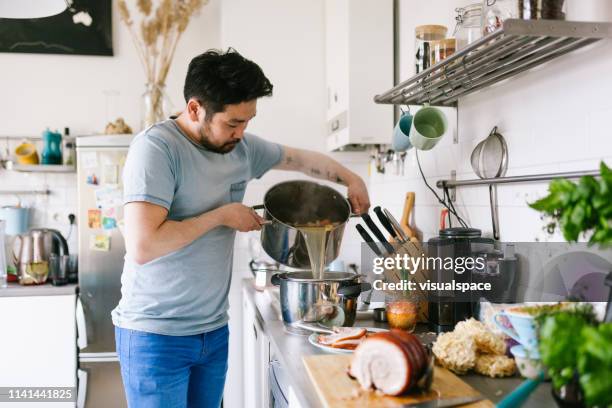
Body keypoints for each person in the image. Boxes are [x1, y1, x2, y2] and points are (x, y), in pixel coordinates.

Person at [111, 48, 370, 408]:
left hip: (213, 331)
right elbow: (143, 245)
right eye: (233, 123)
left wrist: (351, 177)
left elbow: (299, 159)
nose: (241, 132)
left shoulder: (242, 148)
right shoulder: (156, 149)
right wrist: (221, 215)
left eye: (248, 121)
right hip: (155, 334)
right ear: (195, 109)